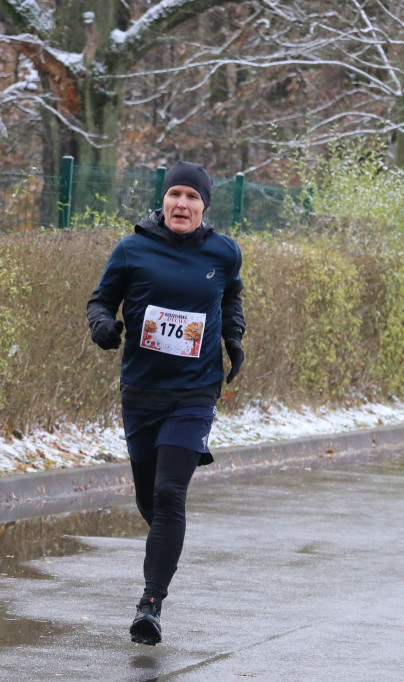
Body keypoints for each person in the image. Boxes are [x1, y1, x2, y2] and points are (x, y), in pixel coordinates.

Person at [86, 160, 245, 646]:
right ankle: (167, 546)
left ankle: (150, 604)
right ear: (163, 201)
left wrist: (234, 338)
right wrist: (103, 328)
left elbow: (231, 297)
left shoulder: (224, 252)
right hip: (141, 392)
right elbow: (100, 300)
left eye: (193, 197)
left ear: (204, 206)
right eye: (175, 194)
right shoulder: (132, 250)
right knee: (149, 498)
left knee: (170, 494)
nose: (182, 203)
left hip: (195, 393)